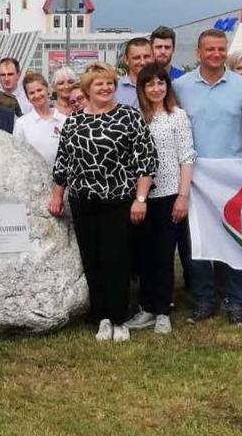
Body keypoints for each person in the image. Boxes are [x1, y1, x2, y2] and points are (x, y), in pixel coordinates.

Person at [50, 63, 158, 342]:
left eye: (110, 83)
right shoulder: (74, 122)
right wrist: (57, 195)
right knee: (92, 260)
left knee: (116, 259)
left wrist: (141, 199)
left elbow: (146, 161)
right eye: (99, 84)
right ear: (86, 89)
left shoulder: (129, 116)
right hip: (83, 201)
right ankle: (103, 318)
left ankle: (120, 318)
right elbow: (63, 162)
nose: (106, 88)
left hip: (119, 200)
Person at [173, 29, 242, 324]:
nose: (215, 54)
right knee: (195, 243)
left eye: (221, 49)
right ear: (198, 53)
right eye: (209, 49)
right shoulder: (180, 86)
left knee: (239, 239)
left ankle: (236, 301)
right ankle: (204, 299)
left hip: (233, 174)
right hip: (194, 177)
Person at [124, 64, 193, 335]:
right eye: (149, 84)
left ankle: (163, 310)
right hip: (139, 196)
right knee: (143, 255)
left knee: (165, 254)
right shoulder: (134, 117)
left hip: (168, 193)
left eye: (160, 83)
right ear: (141, 89)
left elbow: (186, 158)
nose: (156, 88)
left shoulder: (177, 116)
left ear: (167, 86)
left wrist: (183, 196)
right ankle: (147, 308)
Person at [12, 72, 67, 165]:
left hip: (60, 177)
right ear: (27, 97)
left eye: (39, 90)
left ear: (47, 90)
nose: (37, 95)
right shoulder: (21, 123)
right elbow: (16, 155)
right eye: (32, 93)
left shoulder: (64, 120)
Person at [116, 37, 153, 107]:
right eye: (137, 58)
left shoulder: (163, 88)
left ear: (153, 57)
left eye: (146, 56)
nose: (142, 62)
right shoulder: (115, 90)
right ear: (126, 60)